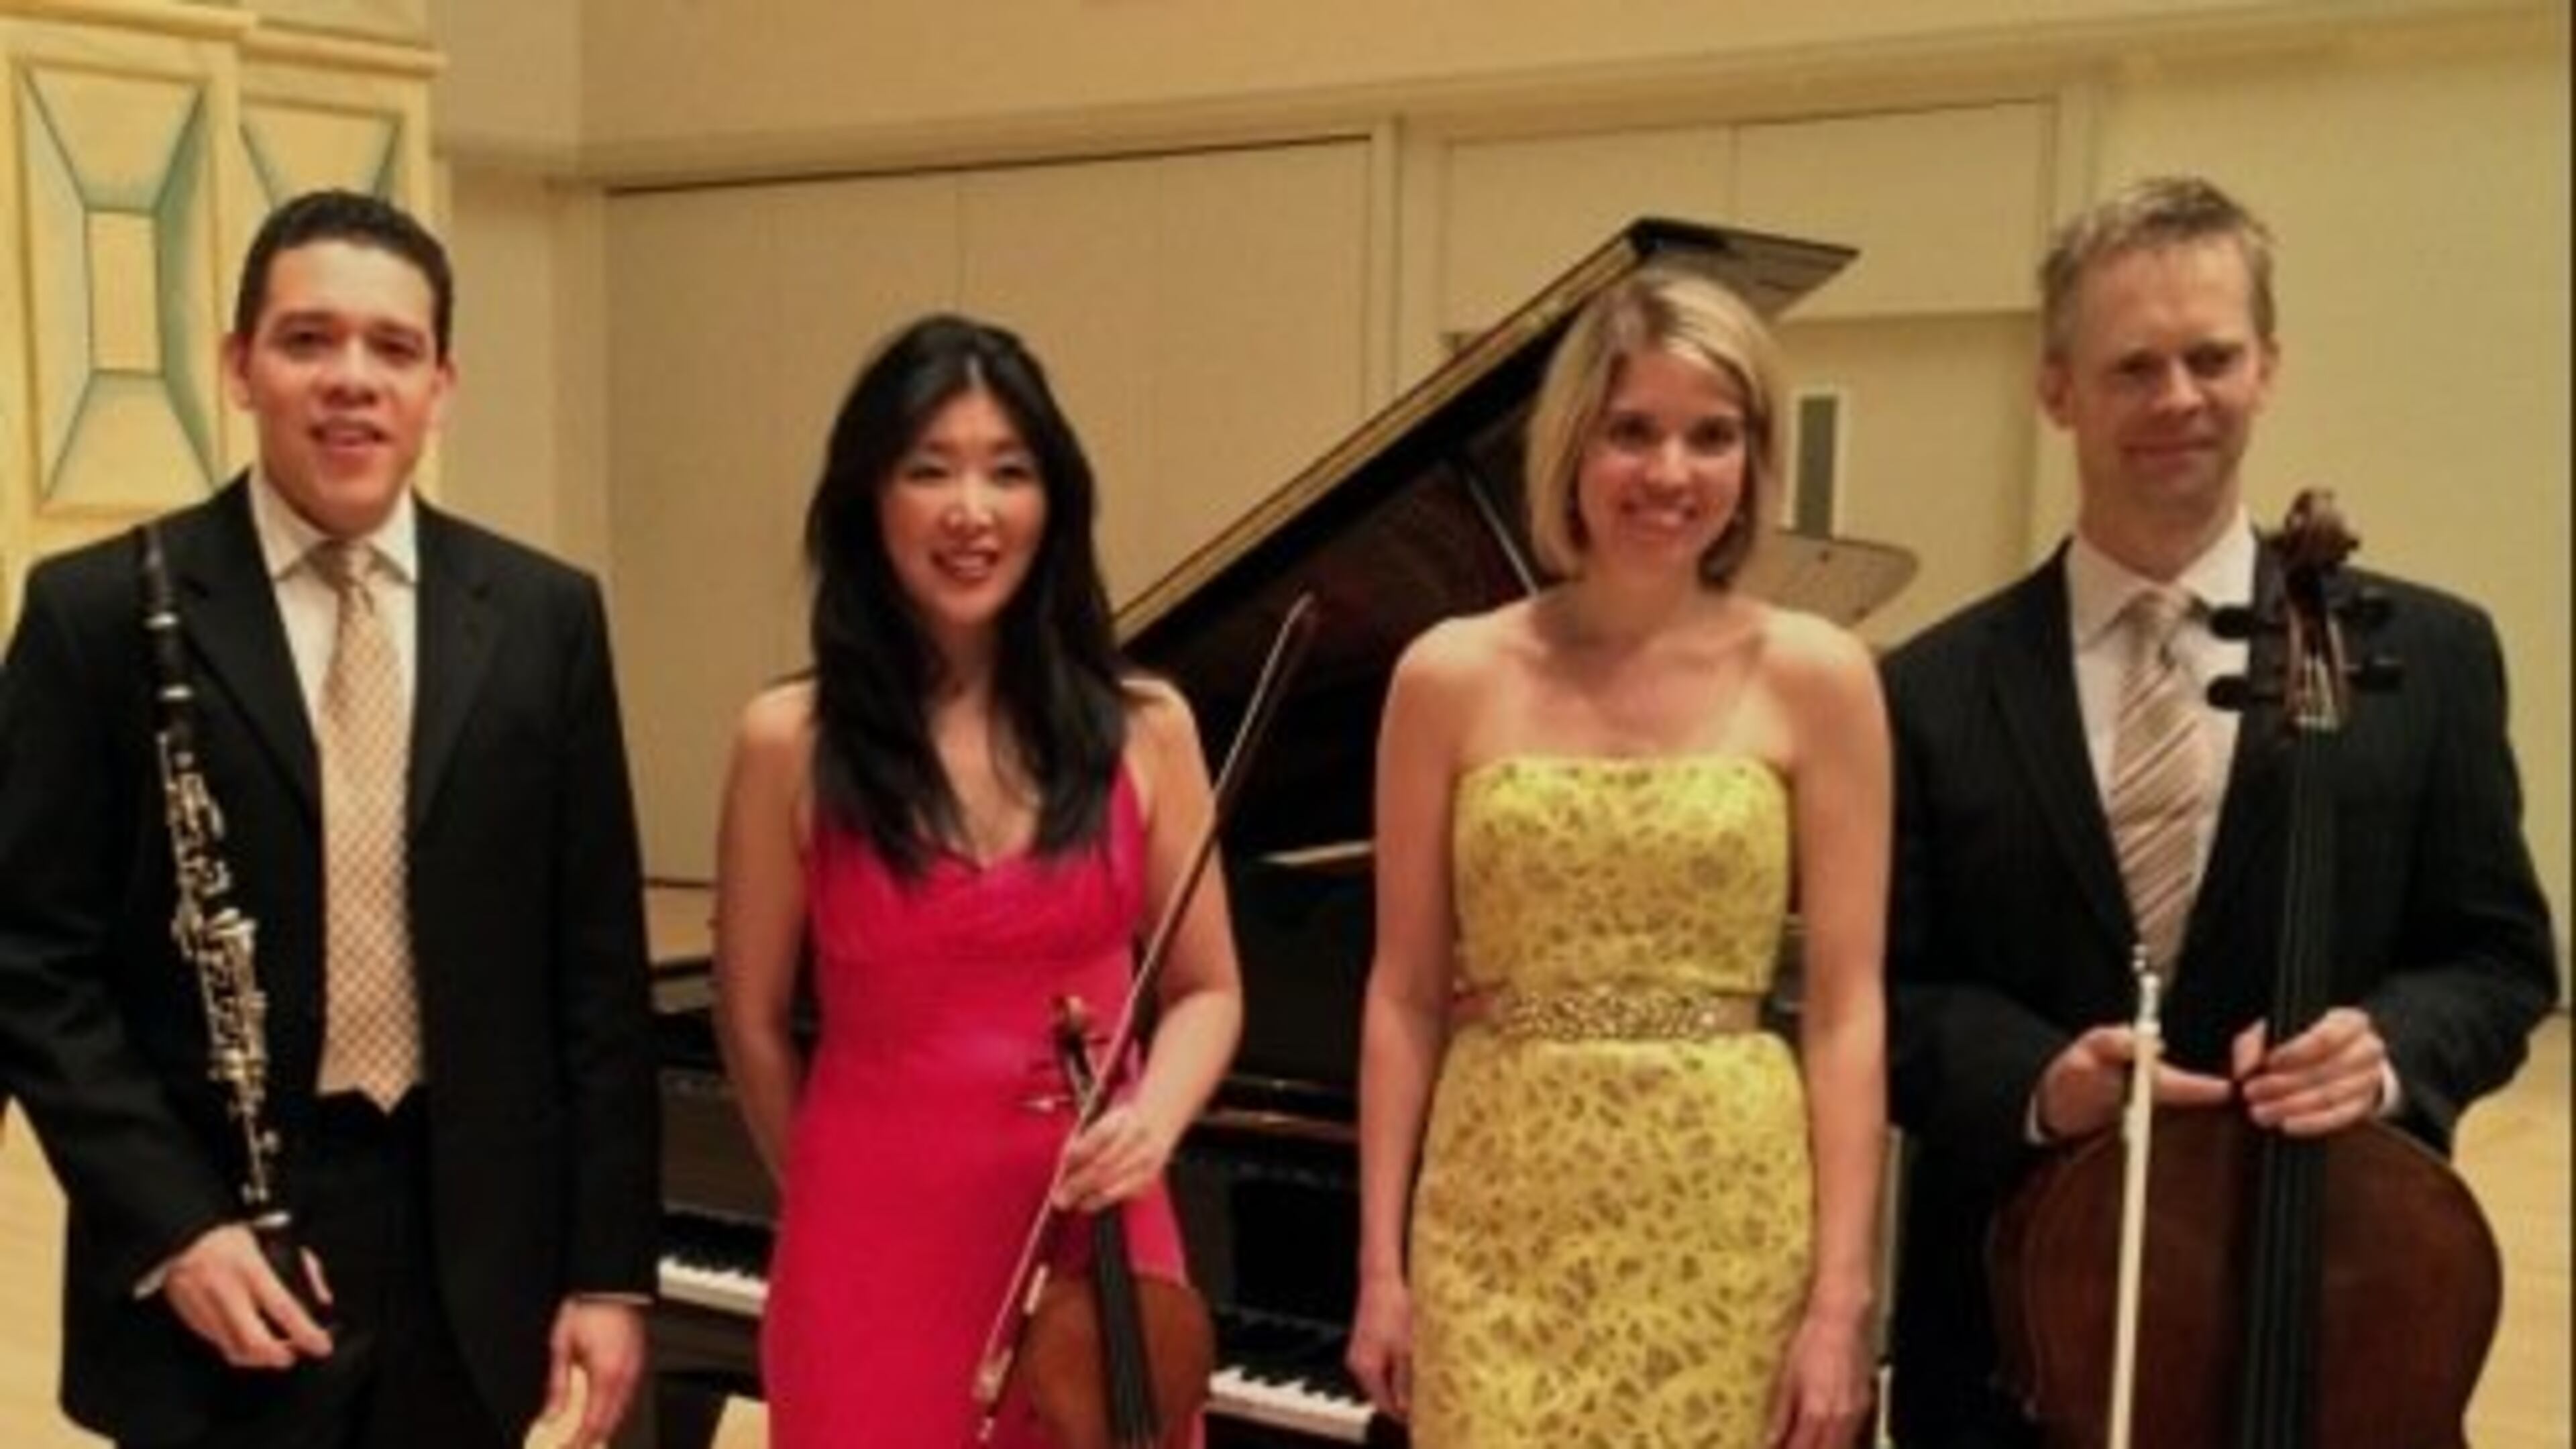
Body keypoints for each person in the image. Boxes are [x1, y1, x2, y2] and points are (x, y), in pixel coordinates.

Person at [1881, 174, 2559, 1448]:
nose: (2178, 399)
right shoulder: (1927, 687)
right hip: (2016, 1326)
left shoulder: (2436, 654)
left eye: (2213, 356)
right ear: (2057, 389)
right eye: (2133, 366)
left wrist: (2391, 1047)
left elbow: (2498, 957)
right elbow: (1886, 991)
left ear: (2269, 367)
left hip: (2336, 1300)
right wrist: (2035, 1079)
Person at [0, 190, 657, 1448]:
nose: (352, 380)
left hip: (475, 1253)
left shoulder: (545, 617)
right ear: (239, 366)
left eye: (393, 348)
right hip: (218, 1251)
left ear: (443, 384)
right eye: (308, 340)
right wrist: (172, 1226)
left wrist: (608, 1271)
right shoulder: (95, 617)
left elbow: (595, 976)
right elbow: (29, 962)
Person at [1344, 266, 1888, 1448]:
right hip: (1501, 1206)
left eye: (1712, 436)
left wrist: (1842, 1297)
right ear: (1571, 449)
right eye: (1632, 431)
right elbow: (1400, 992)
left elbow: (1846, 1009)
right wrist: (1379, 1267)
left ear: (1753, 461)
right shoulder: (1449, 676)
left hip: (1726, 1213)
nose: (1670, 474)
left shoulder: (1821, 677)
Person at [712, 313, 1245, 1447]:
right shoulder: (788, 741)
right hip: (870, 1239)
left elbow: (1207, 989)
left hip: (1095, 1235)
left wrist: (1153, 1119)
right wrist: (828, 1190)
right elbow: (752, 1021)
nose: (973, 510)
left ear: (1054, 503)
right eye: (930, 470)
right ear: (870, 500)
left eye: (1009, 471)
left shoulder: (1149, 730)